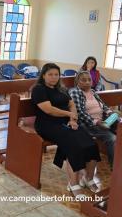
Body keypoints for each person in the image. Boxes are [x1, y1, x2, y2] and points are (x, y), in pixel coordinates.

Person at [31, 63, 101, 197]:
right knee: (74, 145)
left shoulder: (61, 89)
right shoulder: (39, 89)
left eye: (56, 74)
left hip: (66, 123)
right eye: (50, 74)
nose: (53, 77)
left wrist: (73, 120)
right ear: (43, 75)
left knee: (91, 143)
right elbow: (48, 110)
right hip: (47, 124)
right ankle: (73, 183)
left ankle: (88, 178)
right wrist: (69, 115)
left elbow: (71, 104)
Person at [69, 71, 117, 169]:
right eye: (83, 80)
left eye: (89, 80)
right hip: (88, 125)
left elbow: (103, 106)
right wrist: (98, 122)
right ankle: (115, 167)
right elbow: (79, 112)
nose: (87, 82)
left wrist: (110, 113)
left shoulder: (93, 92)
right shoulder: (75, 92)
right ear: (77, 81)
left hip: (102, 122)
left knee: (117, 116)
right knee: (113, 139)